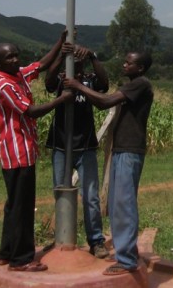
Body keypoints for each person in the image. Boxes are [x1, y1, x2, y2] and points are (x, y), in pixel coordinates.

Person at [63, 51, 154, 276]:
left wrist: (78, 85)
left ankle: (126, 260)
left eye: (129, 62)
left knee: (123, 205)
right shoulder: (134, 84)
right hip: (122, 149)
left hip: (129, 150)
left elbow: (105, 101)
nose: (124, 64)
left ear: (140, 68)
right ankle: (127, 252)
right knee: (117, 205)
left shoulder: (140, 84)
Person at [0, 32, 73, 272]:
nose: (15, 60)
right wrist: (63, 99)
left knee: (14, 205)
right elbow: (31, 111)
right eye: (9, 57)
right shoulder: (4, 85)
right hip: (15, 152)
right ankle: (22, 259)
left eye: (16, 55)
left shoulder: (19, 76)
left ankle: (6, 253)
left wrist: (61, 42)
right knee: (22, 208)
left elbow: (42, 64)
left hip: (24, 150)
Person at [45, 44, 109, 259]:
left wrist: (93, 55)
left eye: (78, 58)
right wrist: (60, 57)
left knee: (90, 196)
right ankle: (62, 237)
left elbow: (105, 84)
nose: (76, 61)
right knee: (61, 192)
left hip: (86, 146)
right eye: (71, 59)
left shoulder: (89, 80)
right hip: (62, 146)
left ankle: (96, 240)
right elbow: (47, 81)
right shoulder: (61, 79)